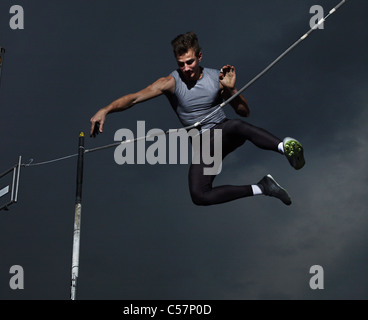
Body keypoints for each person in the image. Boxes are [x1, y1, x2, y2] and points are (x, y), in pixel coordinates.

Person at [90, 32, 305, 206]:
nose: (186, 69)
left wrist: (231, 90)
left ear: (200, 57)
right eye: (181, 64)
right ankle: (264, 187)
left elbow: (244, 112)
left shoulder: (217, 78)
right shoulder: (170, 82)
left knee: (236, 125)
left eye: (190, 62)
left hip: (225, 133)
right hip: (205, 147)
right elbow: (134, 98)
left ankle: (284, 147)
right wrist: (106, 109)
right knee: (199, 195)